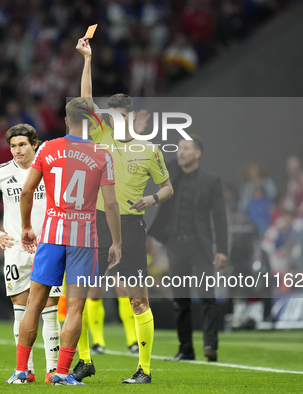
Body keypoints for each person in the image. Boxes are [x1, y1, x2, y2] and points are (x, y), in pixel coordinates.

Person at [72, 35, 174, 385]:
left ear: (131, 116)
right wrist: (87, 60)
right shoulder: (102, 136)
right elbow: (85, 101)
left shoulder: (150, 150)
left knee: (137, 299)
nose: (115, 119)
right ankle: (84, 361)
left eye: (120, 114)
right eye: (112, 114)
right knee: (81, 295)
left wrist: (153, 199)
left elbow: (167, 187)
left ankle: (144, 369)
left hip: (131, 226)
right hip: (96, 223)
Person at [7, 97, 121, 385]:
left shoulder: (47, 148)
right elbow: (111, 204)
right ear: (92, 122)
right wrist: (117, 242)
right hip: (84, 239)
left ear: (67, 121)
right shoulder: (101, 154)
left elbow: (27, 191)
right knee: (75, 308)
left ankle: (21, 371)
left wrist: (26, 227)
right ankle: (61, 373)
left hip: (52, 235)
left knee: (34, 304)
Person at [0, 124, 62, 383]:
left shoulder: (51, 169)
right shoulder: (0, 173)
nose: (17, 150)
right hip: (15, 249)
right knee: (20, 308)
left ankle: (53, 370)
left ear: (35, 144)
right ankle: (26, 371)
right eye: (13, 146)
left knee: (49, 307)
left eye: (22, 144)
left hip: (47, 246)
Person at [148, 135, 228, 363]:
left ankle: (210, 344)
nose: (181, 152)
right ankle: (186, 349)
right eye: (179, 148)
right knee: (180, 300)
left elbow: (219, 217)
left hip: (200, 246)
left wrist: (222, 249)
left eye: (186, 148)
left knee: (207, 297)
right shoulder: (172, 175)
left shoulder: (211, 181)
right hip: (175, 245)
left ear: (198, 153)